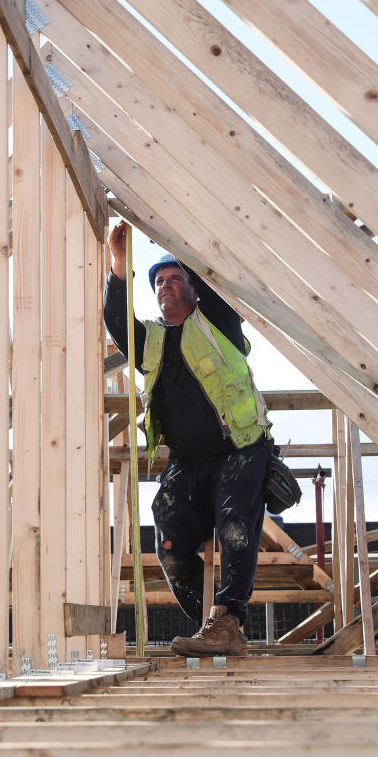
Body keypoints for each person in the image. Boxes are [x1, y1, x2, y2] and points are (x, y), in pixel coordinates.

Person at [103, 221, 273, 657]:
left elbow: (212, 277)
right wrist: (120, 265)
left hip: (238, 448)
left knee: (236, 527)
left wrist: (175, 231)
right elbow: (117, 322)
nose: (166, 286)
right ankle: (214, 626)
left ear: (195, 288)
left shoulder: (217, 322)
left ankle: (227, 618)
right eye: (159, 281)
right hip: (186, 460)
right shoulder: (153, 342)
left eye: (176, 278)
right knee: (170, 544)